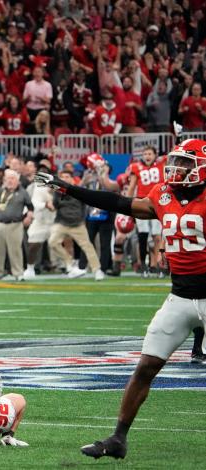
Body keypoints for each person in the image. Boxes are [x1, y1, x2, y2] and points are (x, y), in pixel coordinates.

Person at [34, 138, 206, 460]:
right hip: (180, 297)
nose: (177, 168)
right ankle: (118, 438)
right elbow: (118, 202)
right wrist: (70, 188)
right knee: (145, 367)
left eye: (185, 163)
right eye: (177, 162)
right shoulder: (162, 195)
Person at [47, 170, 104, 280]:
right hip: (61, 223)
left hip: (77, 224)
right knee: (52, 242)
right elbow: (55, 206)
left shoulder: (79, 190)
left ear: (72, 179)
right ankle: (70, 261)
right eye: (62, 177)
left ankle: (97, 270)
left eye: (67, 176)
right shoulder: (57, 192)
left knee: (87, 246)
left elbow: (87, 202)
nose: (64, 179)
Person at [0, 169, 33, 281]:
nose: (10, 181)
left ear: (17, 180)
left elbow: (30, 206)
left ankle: (18, 273)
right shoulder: (1, 190)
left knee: (15, 250)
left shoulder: (23, 192)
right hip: (0, 224)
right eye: (8, 178)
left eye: (12, 178)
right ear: (4, 180)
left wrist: (29, 216)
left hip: (15, 224)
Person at [126, 147, 165, 275]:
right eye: (144, 154)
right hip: (141, 203)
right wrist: (126, 205)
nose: (147, 156)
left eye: (149, 153)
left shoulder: (161, 164)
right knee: (142, 236)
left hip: (157, 203)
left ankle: (160, 263)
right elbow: (131, 187)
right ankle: (143, 264)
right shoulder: (136, 167)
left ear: (155, 155)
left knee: (157, 236)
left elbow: (173, 153)